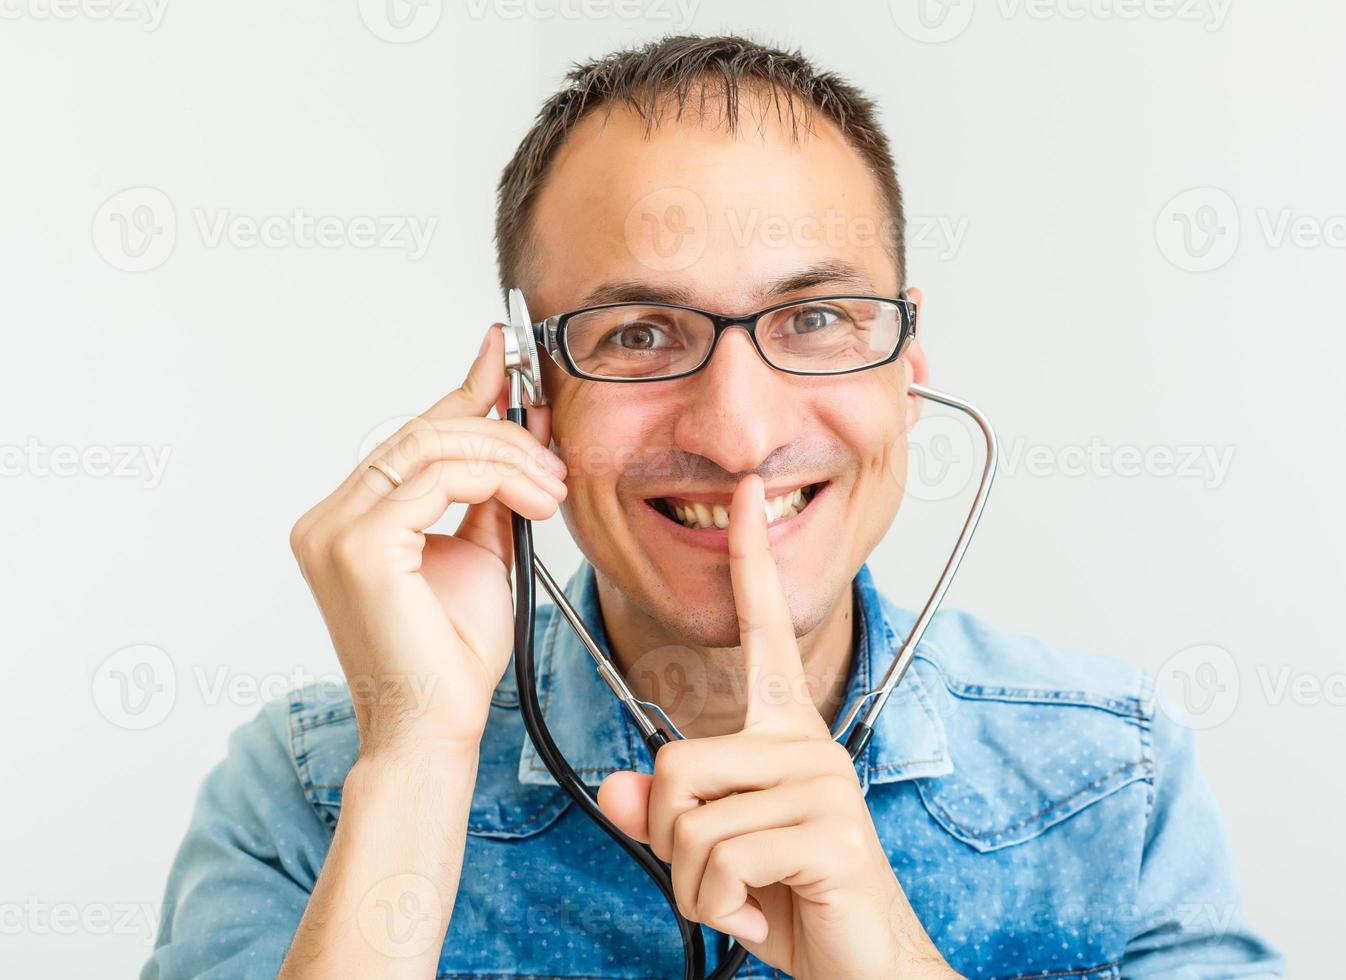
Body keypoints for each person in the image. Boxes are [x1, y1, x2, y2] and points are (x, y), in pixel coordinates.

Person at [145, 33, 1284, 979]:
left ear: (908, 355)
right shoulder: (308, 788)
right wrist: (415, 766)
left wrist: (881, 952)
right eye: (640, 334)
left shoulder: (1111, 772)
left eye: (816, 319)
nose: (738, 435)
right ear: (527, 393)